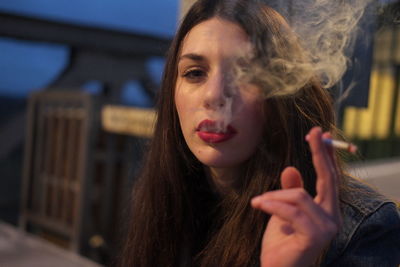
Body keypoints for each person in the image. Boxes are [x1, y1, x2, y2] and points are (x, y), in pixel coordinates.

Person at [119, 0, 400, 266]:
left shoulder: (363, 228)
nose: (215, 95)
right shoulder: (166, 196)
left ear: (285, 98)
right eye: (194, 73)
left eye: (246, 74)